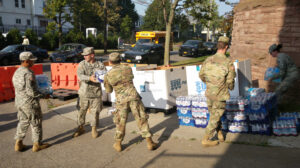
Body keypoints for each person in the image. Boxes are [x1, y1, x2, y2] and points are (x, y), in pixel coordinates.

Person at [104, 52, 158, 152]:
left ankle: (118, 144)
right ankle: (149, 142)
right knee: (141, 119)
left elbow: (109, 91)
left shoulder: (108, 75)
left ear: (110, 62)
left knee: (121, 122)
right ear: (120, 60)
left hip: (121, 100)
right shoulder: (128, 68)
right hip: (134, 96)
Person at [199, 36, 236, 147]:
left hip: (210, 93)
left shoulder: (208, 60)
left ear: (217, 46)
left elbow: (201, 75)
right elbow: (230, 83)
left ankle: (219, 132)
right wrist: (230, 87)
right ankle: (206, 139)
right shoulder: (228, 62)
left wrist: (211, 84)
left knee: (214, 116)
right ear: (226, 47)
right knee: (215, 117)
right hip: (220, 95)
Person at [13, 51, 50, 152]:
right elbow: (32, 92)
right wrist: (44, 95)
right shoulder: (29, 73)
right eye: (31, 60)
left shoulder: (17, 72)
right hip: (30, 103)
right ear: (26, 61)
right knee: (36, 122)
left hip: (19, 102)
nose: (33, 62)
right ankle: (37, 144)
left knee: (23, 121)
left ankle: (18, 143)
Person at [74, 47, 106, 138]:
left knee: (95, 112)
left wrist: (102, 78)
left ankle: (94, 128)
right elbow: (79, 75)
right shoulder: (82, 64)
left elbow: (104, 75)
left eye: (86, 55)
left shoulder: (100, 65)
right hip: (84, 93)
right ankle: (80, 127)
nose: (84, 57)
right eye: (83, 55)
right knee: (81, 111)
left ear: (92, 55)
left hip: (96, 93)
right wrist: (89, 78)